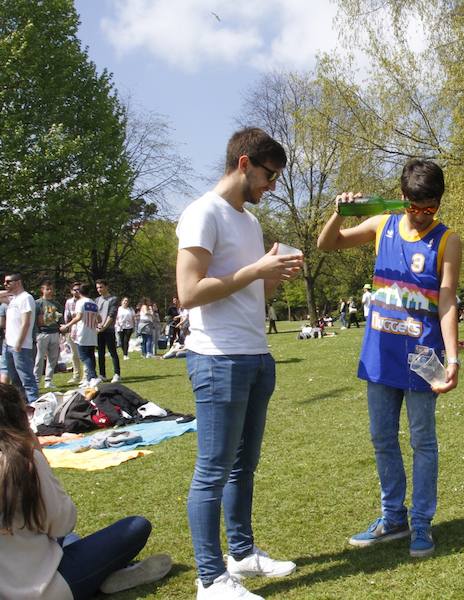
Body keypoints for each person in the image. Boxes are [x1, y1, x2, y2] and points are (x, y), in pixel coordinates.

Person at [176, 127, 302, 599]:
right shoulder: (201, 213)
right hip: (217, 359)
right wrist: (254, 270)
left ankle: (243, 556)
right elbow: (188, 293)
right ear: (245, 163)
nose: (272, 186)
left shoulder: (248, 223)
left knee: (243, 466)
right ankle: (210, 579)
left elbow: (252, 292)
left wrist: (274, 273)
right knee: (212, 469)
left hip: (255, 356)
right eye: (270, 176)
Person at [317, 158, 461, 559]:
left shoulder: (449, 241)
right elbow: (327, 244)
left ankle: (421, 524)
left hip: (422, 357)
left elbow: (447, 302)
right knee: (383, 439)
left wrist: (452, 359)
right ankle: (392, 518)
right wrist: (337, 212)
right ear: (402, 198)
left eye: (429, 208)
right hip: (380, 354)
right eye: (414, 207)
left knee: (422, 441)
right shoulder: (382, 224)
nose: (420, 216)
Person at [0, 382, 172, 598]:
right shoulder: (21, 461)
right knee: (136, 526)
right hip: (44, 589)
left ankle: (105, 575)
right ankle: (104, 577)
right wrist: (39, 455)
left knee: (68, 538)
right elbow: (63, 523)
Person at [2, 273, 39, 403]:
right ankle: (23, 406)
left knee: (27, 378)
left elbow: (26, 322)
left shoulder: (26, 298)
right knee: (15, 380)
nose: (5, 284)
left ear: (18, 282)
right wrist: (8, 291)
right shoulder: (13, 299)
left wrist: (19, 342)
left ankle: (34, 405)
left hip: (21, 346)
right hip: (9, 344)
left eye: (8, 282)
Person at [60, 284, 100, 386]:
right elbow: (99, 319)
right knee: (90, 355)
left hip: (82, 332)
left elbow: (78, 317)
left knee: (84, 357)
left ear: (79, 292)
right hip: (92, 332)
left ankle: (93, 377)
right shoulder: (93, 303)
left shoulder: (80, 302)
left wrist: (67, 325)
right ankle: (89, 378)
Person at [34, 280, 63, 390]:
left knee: (53, 358)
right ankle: (36, 381)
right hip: (42, 333)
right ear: (42, 290)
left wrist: (62, 329)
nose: (50, 291)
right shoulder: (38, 303)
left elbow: (60, 318)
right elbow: (34, 319)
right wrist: (36, 333)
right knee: (39, 358)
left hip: (54, 332)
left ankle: (48, 380)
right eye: (47, 289)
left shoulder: (56, 304)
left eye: (51, 289)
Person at [94, 280, 121, 384]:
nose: (99, 290)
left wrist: (104, 327)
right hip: (99, 330)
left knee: (112, 352)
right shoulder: (96, 300)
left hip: (108, 330)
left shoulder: (113, 299)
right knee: (100, 353)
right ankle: (102, 374)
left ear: (106, 287)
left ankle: (117, 374)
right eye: (97, 288)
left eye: (101, 287)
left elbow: (111, 315)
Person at [63, 283, 84, 384]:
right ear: (71, 291)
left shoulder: (84, 301)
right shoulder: (69, 302)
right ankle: (76, 375)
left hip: (83, 330)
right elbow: (66, 315)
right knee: (74, 354)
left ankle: (86, 375)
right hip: (72, 330)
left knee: (83, 354)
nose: (77, 291)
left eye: (78, 289)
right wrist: (67, 328)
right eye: (75, 290)